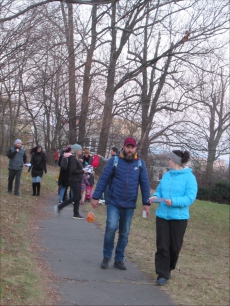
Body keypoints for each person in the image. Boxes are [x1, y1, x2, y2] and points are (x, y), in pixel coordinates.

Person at [91, 137, 150, 270]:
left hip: (129, 204)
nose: (130, 150)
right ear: (123, 147)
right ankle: (106, 256)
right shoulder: (114, 161)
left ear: (135, 148)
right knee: (111, 227)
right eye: (128, 147)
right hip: (114, 201)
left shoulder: (140, 164)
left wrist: (146, 203)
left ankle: (119, 259)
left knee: (124, 233)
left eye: (132, 147)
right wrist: (96, 196)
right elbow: (104, 179)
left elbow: (145, 184)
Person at [149, 150, 198, 286]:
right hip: (162, 216)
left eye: (169, 159)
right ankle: (162, 274)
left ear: (176, 161)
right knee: (162, 246)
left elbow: (189, 198)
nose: (168, 161)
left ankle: (169, 267)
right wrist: (155, 197)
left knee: (174, 247)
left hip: (179, 218)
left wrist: (173, 201)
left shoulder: (189, 178)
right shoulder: (166, 176)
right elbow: (159, 191)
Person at [54, 144, 87, 219]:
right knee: (76, 197)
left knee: (77, 197)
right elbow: (73, 170)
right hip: (74, 180)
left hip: (77, 180)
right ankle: (59, 207)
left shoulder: (76, 158)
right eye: (80, 150)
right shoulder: (73, 159)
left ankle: (76, 213)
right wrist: (82, 171)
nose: (81, 151)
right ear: (76, 150)